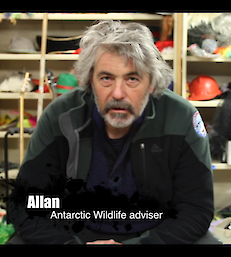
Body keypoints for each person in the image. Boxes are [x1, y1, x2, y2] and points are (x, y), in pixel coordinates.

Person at [7, 20, 215, 245]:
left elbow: (195, 209)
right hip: (74, 231)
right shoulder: (60, 116)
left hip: (156, 232)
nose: (118, 93)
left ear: (152, 83)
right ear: (90, 80)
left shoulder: (181, 118)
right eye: (106, 78)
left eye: (132, 79)